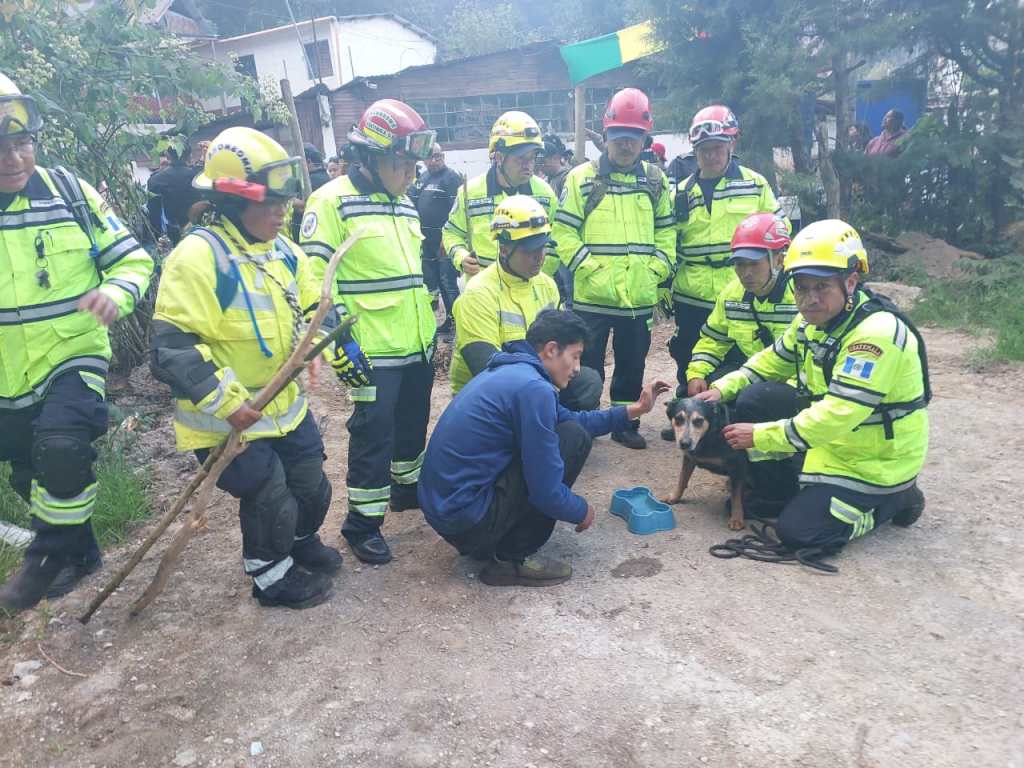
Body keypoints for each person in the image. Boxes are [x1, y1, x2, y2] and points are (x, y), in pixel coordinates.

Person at [150, 127, 369, 609]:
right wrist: (229, 405)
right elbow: (172, 347)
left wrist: (343, 348)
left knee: (310, 483)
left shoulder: (285, 252)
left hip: (286, 409)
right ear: (232, 201)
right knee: (269, 493)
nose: (282, 211)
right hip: (227, 422)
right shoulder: (199, 257)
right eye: (269, 203)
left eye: (285, 201)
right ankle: (271, 578)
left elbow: (317, 309)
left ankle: (299, 543)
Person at [0, 73, 154, 611]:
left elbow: (134, 258)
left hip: (73, 352)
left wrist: (117, 291)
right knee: (28, 469)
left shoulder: (69, 191)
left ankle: (44, 556)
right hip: (5, 374)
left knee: (63, 448)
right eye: (1, 147)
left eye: (22, 143)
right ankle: (80, 551)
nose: (15, 158)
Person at [703, 219, 928, 558]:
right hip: (834, 445)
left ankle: (893, 500)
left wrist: (760, 436)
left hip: (872, 460)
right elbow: (770, 361)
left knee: (798, 533)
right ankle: (778, 493)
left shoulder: (875, 335)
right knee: (755, 399)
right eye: (801, 287)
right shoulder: (812, 322)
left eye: (821, 287)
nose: (809, 299)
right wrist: (719, 389)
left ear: (850, 282)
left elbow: (838, 414)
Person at [419, 310, 671, 586]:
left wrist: (636, 409)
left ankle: (490, 541)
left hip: (449, 514)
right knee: (573, 440)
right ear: (551, 349)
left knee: (569, 431)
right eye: (575, 356)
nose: (577, 368)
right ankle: (512, 559)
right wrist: (580, 509)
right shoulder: (533, 388)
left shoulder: (515, 372)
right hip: (466, 521)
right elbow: (545, 490)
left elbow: (572, 419)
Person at [301, 99, 437, 565]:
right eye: (403, 163)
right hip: (369, 349)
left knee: (412, 425)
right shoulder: (331, 200)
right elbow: (314, 279)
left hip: (414, 342)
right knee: (372, 435)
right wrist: (339, 341)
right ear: (371, 156)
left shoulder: (404, 203)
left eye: (414, 164)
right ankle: (362, 524)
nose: (411, 173)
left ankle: (404, 490)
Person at [551, 87, 675, 450]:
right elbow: (563, 231)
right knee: (584, 368)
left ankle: (626, 422)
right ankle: (582, 427)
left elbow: (667, 231)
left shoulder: (655, 181)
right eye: (619, 137)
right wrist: (588, 269)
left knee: (632, 363)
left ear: (644, 140)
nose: (626, 145)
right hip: (592, 297)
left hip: (637, 297)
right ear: (605, 138)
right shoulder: (581, 179)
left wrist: (658, 269)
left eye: (633, 137)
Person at [450, 195, 602, 410]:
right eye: (530, 250)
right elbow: (486, 369)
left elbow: (564, 343)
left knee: (587, 382)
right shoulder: (478, 293)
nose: (540, 257)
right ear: (504, 249)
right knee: (570, 434)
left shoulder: (547, 285)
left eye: (543, 247)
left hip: (534, 380)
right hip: (490, 396)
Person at [669, 105, 781, 391]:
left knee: (739, 353)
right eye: (704, 149)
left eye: (718, 147)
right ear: (695, 149)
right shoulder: (680, 192)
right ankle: (688, 409)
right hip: (691, 292)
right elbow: (669, 241)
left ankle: (730, 413)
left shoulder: (755, 185)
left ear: (732, 143)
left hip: (742, 285)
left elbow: (780, 233)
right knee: (689, 354)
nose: (711, 155)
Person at [683, 212, 798, 396]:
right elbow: (714, 339)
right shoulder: (732, 294)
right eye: (739, 264)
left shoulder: (800, 295)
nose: (746, 273)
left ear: (779, 260)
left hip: (795, 382)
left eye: (753, 264)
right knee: (692, 393)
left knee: (750, 401)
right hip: (753, 374)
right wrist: (697, 374)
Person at [443, 111, 559, 281]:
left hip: (531, 290)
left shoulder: (545, 194)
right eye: (520, 159)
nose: (529, 165)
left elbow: (557, 239)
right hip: (483, 294)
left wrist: (539, 277)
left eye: (533, 158)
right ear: (499, 157)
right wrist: (461, 257)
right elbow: (451, 233)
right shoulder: (469, 193)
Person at [409, 142, 462, 337]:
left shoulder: (451, 178)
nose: (436, 160)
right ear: (424, 159)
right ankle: (449, 320)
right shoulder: (423, 178)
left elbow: (457, 212)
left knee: (448, 282)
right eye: (431, 157)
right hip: (426, 241)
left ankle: (461, 321)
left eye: (439, 156)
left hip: (444, 242)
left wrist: (445, 238)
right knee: (434, 282)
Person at [147, 139, 199, 245]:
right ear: (189, 155)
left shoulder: (156, 179)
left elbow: (153, 211)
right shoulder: (198, 176)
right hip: (199, 229)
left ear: (167, 155)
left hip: (171, 232)